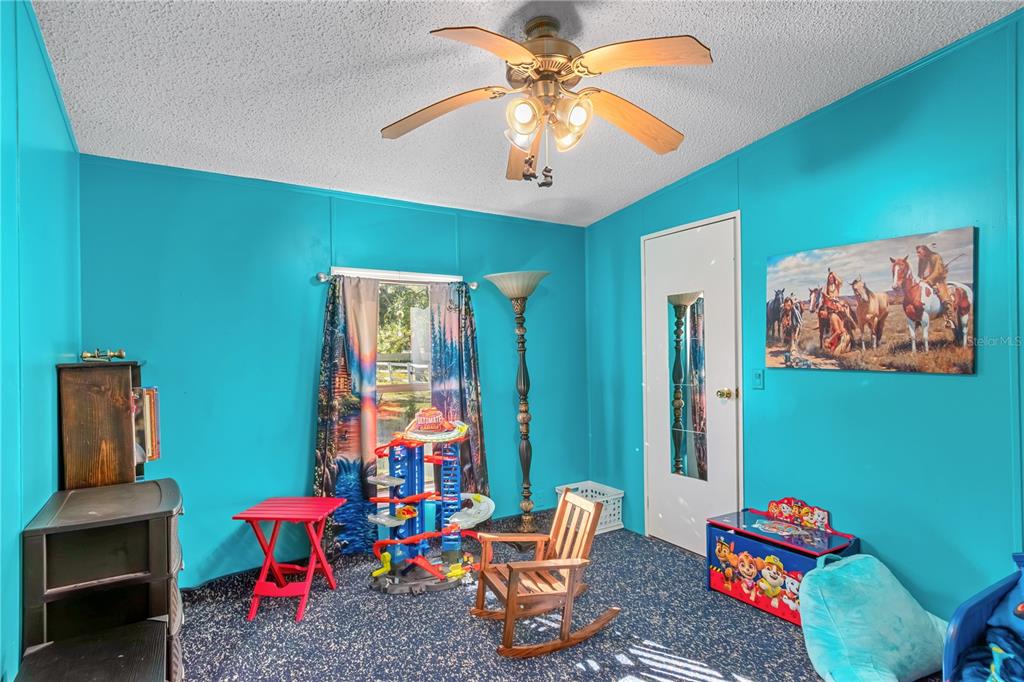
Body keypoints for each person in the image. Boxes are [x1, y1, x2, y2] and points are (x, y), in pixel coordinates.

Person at [916, 244, 954, 328]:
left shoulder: (936, 257)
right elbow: (920, 273)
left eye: (919, 252)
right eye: (917, 252)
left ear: (925, 250)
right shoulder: (921, 260)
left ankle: (949, 317)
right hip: (925, 281)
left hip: (938, 280)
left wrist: (928, 280)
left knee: (943, 295)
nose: (917, 254)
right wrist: (920, 280)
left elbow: (937, 272)